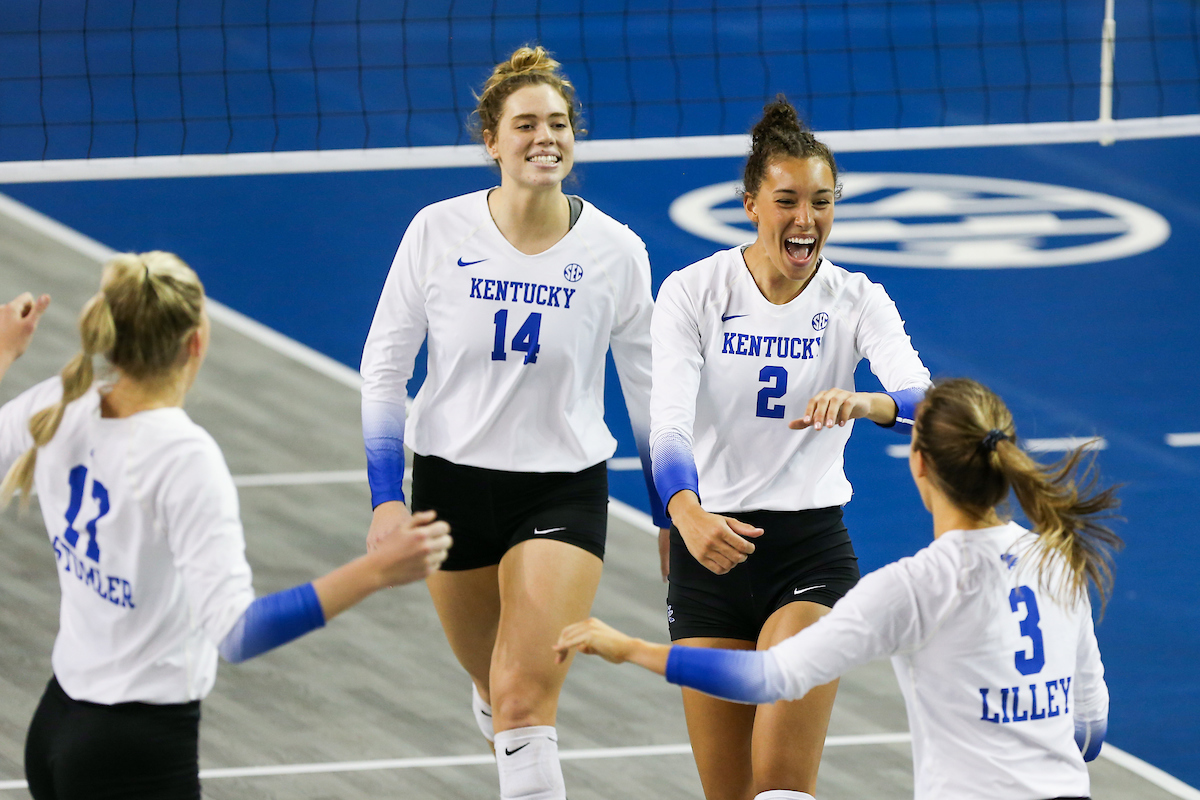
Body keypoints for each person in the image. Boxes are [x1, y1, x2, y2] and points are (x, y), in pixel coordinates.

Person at [0, 252, 452, 800]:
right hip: (134, 755)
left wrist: (4, 352)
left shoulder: (60, 402)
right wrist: (375, 571)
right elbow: (237, 634)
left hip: (55, 726)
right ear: (195, 343)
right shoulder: (181, 456)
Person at [556, 377, 1119, 800]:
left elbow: (771, 676)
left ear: (918, 465)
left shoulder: (916, 586)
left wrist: (632, 649)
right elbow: (1089, 731)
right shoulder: (1060, 562)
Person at [359, 46, 669, 800]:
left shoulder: (617, 251)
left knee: (527, 700)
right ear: (490, 141)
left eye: (559, 124)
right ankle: (496, 704)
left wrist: (672, 511)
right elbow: (385, 369)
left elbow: (651, 389)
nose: (545, 138)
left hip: (560, 488)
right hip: (449, 486)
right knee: (497, 687)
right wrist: (385, 497)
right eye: (525, 124)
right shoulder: (438, 232)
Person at [645, 96, 931, 800]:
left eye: (823, 202)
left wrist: (869, 403)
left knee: (779, 789)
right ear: (750, 204)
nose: (806, 220)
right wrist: (684, 513)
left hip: (809, 551)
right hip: (709, 546)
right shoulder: (693, 293)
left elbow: (932, 404)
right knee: (729, 792)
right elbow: (668, 426)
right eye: (788, 201)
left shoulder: (856, 298)